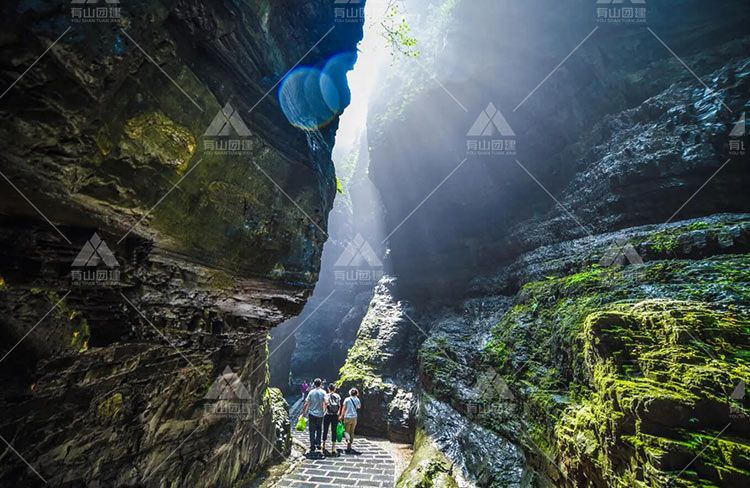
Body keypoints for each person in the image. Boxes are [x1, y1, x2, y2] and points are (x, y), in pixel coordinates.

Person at [301, 378, 325, 453]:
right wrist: (324, 410)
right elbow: (326, 402)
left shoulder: (311, 392)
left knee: (312, 430)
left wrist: (303, 413)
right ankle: (318, 443)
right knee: (319, 429)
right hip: (320, 414)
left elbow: (306, 403)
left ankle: (312, 445)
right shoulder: (323, 392)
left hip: (312, 413)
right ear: (321, 384)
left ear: (314, 384)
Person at [339, 388, 361, 453]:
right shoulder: (357, 399)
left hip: (347, 417)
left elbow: (344, 408)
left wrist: (341, 416)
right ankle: (350, 444)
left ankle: (348, 442)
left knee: (346, 431)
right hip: (354, 417)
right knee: (352, 431)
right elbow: (359, 407)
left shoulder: (347, 399)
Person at [322, 384, 341, 455]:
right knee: (334, 430)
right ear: (335, 389)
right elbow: (339, 405)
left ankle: (323, 445)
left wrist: (324, 410)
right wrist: (338, 414)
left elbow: (325, 404)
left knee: (325, 430)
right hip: (335, 415)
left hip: (327, 415)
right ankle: (333, 447)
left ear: (328, 389)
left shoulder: (326, 395)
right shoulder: (338, 396)